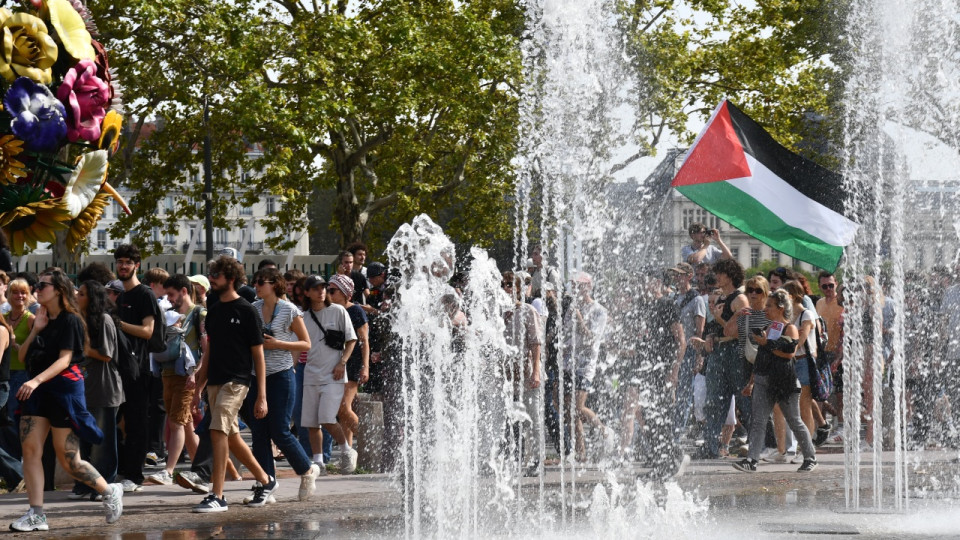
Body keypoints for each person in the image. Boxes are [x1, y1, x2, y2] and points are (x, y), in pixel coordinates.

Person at [10, 269, 123, 531]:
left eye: (42, 285)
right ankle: (36, 514)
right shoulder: (40, 318)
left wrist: (36, 380)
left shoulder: (71, 320)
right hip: (37, 391)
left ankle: (109, 491)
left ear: (58, 290)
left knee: (69, 459)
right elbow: (25, 355)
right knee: (30, 450)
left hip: (63, 390)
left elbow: (64, 360)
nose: (37, 288)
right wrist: (36, 329)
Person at [190, 256, 278, 512]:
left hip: (237, 381)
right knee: (231, 437)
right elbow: (209, 353)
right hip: (215, 382)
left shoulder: (247, 310)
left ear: (230, 278)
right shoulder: (214, 310)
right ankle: (266, 481)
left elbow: (258, 354)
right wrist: (198, 388)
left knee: (217, 431)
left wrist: (261, 395)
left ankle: (217, 495)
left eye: (216, 274)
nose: (212, 279)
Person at [245, 267, 320, 502]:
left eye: (261, 281)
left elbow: (306, 344)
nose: (256, 285)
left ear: (274, 284)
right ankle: (267, 482)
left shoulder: (289, 310)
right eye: (255, 281)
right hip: (257, 375)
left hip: (281, 374)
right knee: (259, 431)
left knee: (279, 430)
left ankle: (307, 470)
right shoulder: (254, 309)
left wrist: (278, 343)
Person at [734, 289, 817, 473]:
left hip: (784, 382)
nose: (765, 309)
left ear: (780, 308)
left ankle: (810, 457)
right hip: (764, 380)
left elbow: (790, 353)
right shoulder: (768, 328)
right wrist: (751, 382)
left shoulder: (791, 328)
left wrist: (766, 345)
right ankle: (752, 460)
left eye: (769, 306)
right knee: (758, 421)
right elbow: (761, 358)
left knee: (794, 420)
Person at [620, 271, 686, 479]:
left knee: (660, 415)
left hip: (662, 368)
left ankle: (668, 460)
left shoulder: (667, 304)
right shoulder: (642, 306)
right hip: (643, 368)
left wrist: (674, 371)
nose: (642, 285)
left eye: (646, 281)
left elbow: (681, 341)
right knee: (645, 416)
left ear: (657, 283)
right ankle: (665, 458)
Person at [144, 275, 204, 487]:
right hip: (168, 374)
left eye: (172, 294)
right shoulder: (171, 315)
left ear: (184, 291)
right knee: (185, 425)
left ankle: (168, 471)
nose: (168, 299)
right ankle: (203, 471)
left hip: (186, 377)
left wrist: (196, 375)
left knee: (176, 422)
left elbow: (207, 349)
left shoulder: (198, 313)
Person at [70, 281, 125, 501]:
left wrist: (83, 349)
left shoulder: (104, 319)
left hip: (104, 387)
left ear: (91, 298)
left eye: (81, 294)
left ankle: (106, 485)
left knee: (102, 440)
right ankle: (85, 484)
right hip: (84, 387)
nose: (77, 296)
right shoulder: (78, 319)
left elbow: (107, 354)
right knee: (84, 438)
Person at [301, 274, 359, 473]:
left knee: (326, 418)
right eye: (316, 288)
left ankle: (346, 449)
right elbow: (295, 347)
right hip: (310, 373)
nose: (322, 291)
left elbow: (352, 339)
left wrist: (342, 363)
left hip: (333, 375)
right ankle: (318, 461)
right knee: (311, 422)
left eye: (323, 287)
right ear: (307, 292)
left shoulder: (338, 311)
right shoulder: (304, 317)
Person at [114, 244, 158, 492]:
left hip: (140, 368)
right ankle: (123, 470)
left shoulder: (144, 294)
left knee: (137, 422)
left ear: (136, 265)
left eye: (128, 262)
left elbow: (148, 331)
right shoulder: (120, 296)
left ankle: (135, 475)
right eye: (120, 261)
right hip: (120, 367)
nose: (123, 265)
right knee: (120, 421)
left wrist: (119, 324)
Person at [700, 258, 749, 459]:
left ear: (729, 275)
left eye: (719, 273)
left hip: (735, 352)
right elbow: (716, 328)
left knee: (743, 400)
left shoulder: (740, 300)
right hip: (719, 351)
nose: (716, 277)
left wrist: (719, 319)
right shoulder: (721, 299)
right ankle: (711, 445)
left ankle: (756, 444)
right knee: (714, 401)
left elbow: (742, 332)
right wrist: (711, 336)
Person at [561, 271, 611, 461]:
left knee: (579, 407)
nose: (576, 289)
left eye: (580, 285)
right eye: (574, 285)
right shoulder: (572, 308)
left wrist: (580, 320)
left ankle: (604, 431)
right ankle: (581, 452)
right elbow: (566, 334)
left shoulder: (599, 310)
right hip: (568, 363)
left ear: (589, 287)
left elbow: (592, 339)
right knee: (569, 410)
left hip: (585, 364)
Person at [501, 271, 543, 476]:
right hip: (509, 377)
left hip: (528, 374)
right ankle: (515, 458)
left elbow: (536, 344)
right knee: (512, 419)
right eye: (503, 285)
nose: (506, 288)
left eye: (509, 285)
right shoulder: (499, 313)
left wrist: (536, 372)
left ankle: (537, 460)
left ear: (518, 289)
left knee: (533, 418)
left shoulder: (527, 311)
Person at [327, 274, 369, 450]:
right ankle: (349, 454)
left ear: (344, 292)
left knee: (343, 408)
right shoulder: (330, 310)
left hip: (352, 363)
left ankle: (371, 442)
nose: (328, 293)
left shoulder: (355, 311)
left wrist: (365, 366)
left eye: (332, 290)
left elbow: (364, 341)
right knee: (344, 411)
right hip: (335, 362)